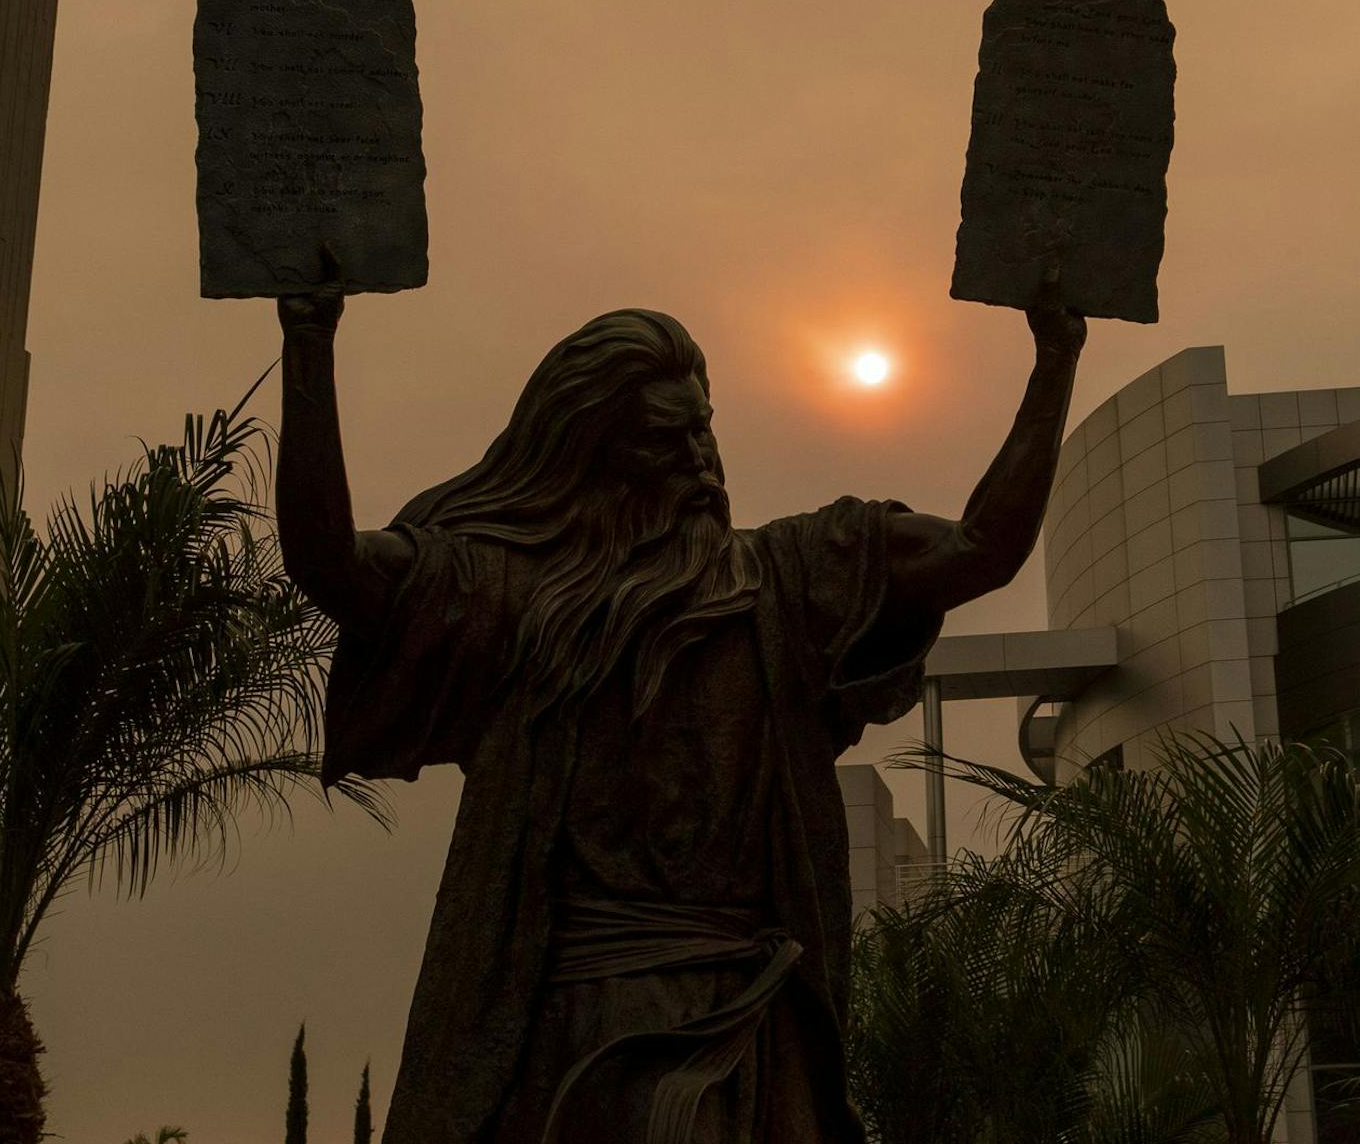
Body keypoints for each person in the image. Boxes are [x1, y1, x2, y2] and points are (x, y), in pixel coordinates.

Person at [276, 282, 1084, 1144]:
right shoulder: (512, 596)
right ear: (600, 453)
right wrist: (310, 341)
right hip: (576, 1040)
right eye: (667, 439)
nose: (702, 461)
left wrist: (1055, 359)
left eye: (706, 428)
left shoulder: (789, 575)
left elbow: (979, 549)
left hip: (751, 1040)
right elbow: (331, 564)